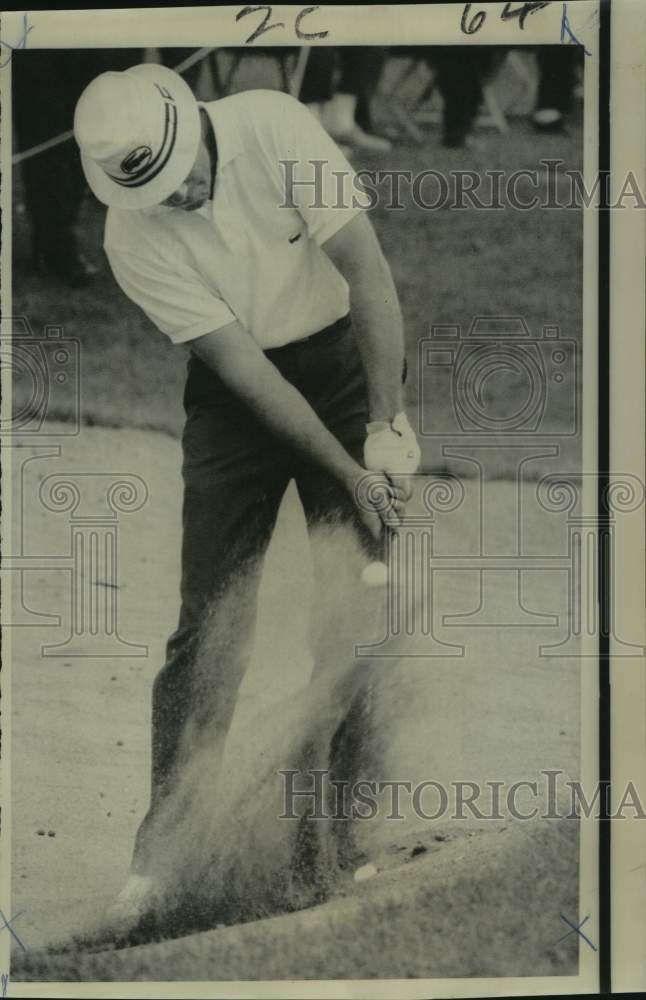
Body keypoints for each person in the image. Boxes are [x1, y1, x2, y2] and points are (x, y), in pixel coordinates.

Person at [73, 63, 421, 925]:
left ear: (193, 121)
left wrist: (384, 427)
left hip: (342, 366)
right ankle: (164, 858)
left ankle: (333, 839)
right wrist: (346, 472)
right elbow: (245, 373)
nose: (177, 197)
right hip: (236, 399)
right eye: (154, 190)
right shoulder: (129, 236)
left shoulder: (275, 128)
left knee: (356, 607)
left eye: (181, 175)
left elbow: (368, 273)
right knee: (208, 619)